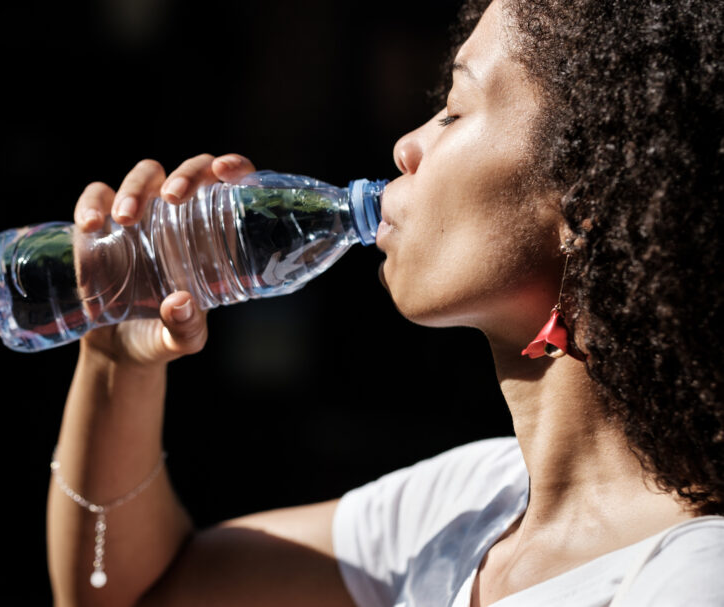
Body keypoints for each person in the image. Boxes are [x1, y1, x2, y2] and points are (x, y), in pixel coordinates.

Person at [46, 0, 724, 605]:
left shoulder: (690, 574)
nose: (406, 146)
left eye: (454, 109)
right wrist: (117, 360)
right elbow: (136, 587)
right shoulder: (468, 507)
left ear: (588, 196)